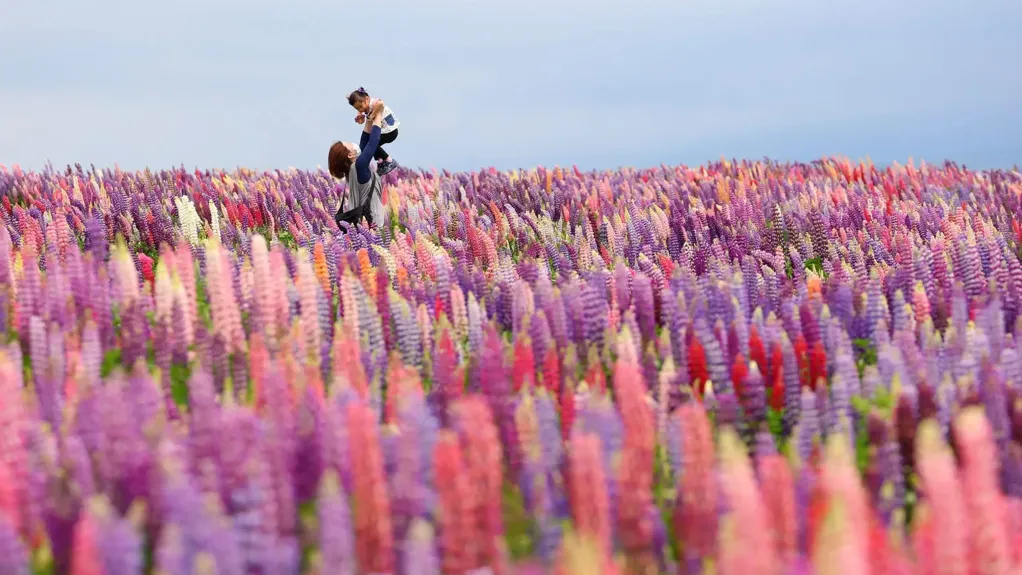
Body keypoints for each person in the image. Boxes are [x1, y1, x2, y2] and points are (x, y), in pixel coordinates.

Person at [328, 111, 387, 232]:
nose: (351, 143)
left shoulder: (354, 167)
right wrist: (379, 114)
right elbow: (373, 141)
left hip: (362, 225)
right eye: (348, 144)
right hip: (372, 227)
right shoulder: (359, 166)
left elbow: (365, 140)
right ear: (350, 154)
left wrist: (370, 115)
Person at [348, 87, 400, 175]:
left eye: (361, 106)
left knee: (372, 143)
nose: (360, 109)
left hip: (390, 131)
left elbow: (381, 103)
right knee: (371, 143)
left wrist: (372, 115)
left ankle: (389, 160)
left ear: (367, 99)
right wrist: (360, 116)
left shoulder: (373, 102)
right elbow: (363, 113)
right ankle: (380, 161)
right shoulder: (365, 107)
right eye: (357, 108)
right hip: (385, 131)